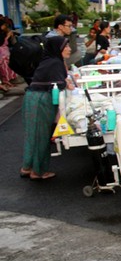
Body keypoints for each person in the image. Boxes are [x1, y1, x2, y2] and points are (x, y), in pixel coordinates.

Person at [19, 36, 73, 180]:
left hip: (33, 99)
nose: (69, 49)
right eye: (66, 46)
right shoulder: (55, 63)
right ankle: (39, 171)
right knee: (42, 136)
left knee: (32, 135)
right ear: (58, 49)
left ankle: (27, 167)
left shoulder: (49, 61)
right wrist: (67, 84)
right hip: (41, 101)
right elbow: (58, 84)